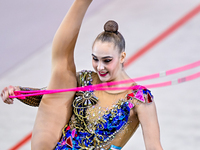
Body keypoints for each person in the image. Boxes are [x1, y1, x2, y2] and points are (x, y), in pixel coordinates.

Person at [1, 0, 163, 149]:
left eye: (107, 60)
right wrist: (19, 92)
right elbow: (49, 95)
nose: (99, 67)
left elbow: (154, 147)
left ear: (122, 57)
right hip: (57, 145)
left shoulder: (140, 98)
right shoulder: (85, 79)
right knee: (62, 67)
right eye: (95, 59)